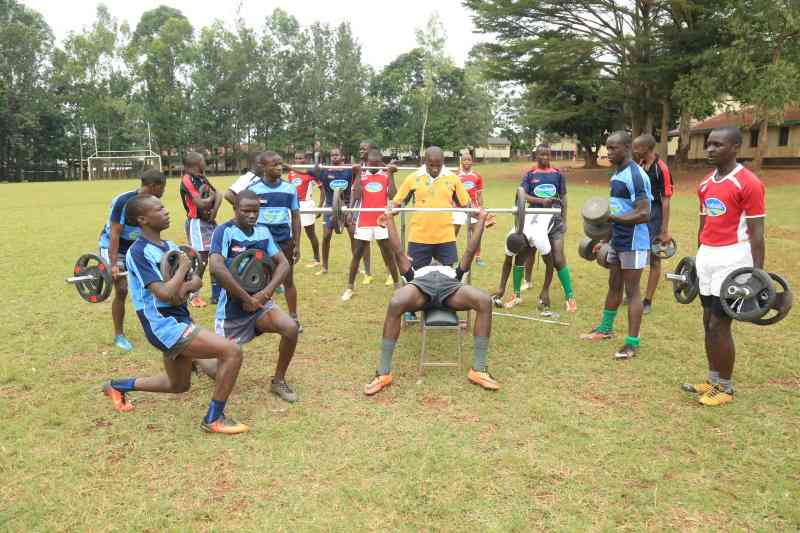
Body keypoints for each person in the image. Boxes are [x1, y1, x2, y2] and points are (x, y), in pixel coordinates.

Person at [101, 194, 248, 435]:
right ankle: (214, 418)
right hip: (162, 324)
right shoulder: (138, 253)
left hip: (179, 318)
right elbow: (164, 293)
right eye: (159, 209)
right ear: (142, 219)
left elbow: (196, 280)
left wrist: (182, 285)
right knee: (232, 352)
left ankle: (117, 386)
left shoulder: (169, 247)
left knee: (178, 385)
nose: (166, 212)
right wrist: (181, 273)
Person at [363, 205, 499, 395]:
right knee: (396, 301)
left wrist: (482, 220)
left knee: (484, 300)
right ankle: (383, 372)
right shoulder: (414, 271)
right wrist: (389, 220)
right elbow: (398, 251)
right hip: (421, 288)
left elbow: (470, 251)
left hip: (450, 288)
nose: (434, 260)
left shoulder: (454, 271)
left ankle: (479, 369)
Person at [681, 127, 765, 406]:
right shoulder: (705, 184)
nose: (710, 149)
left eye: (718, 144)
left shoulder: (748, 183)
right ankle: (713, 379)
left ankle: (725, 388)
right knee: (707, 320)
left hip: (734, 258)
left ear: (736, 147)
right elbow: (704, 225)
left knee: (720, 323)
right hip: (707, 256)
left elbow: (757, 234)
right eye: (708, 144)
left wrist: (756, 275)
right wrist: (698, 259)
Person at [209, 190, 300, 403]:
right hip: (232, 309)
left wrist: (263, 295)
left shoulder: (262, 231)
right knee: (221, 368)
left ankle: (278, 381)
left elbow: (283, 264)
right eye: (246, 211)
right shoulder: (225, 231)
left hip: (260, 304)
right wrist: (246, 298)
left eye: (255, 211)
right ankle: (196, 359)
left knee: (290, 328)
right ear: (235, 209)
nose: (251, 215)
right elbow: (216, 267)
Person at [581, 132, 652, 359]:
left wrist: (611, 219)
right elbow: (619, 208)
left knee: (632, 293)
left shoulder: (636, 175)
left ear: (627, 148)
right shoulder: (617, 173)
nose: (609, 153)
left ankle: (631, 343)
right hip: (618, 239)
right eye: (607, 148)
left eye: (614, 149)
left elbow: (644, 212)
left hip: (634, 242)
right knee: (614, 285)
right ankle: (605, 329)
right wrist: (604, 238)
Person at [493, 145, 576, 313]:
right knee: (521, 256)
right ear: (536, 156)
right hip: (531, 219)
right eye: (541, 155)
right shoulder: (530, 175)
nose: (544, 157)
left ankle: (570, 296)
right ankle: (516, 295)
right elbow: (523, 195)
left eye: (547, 154)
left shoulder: (557, 175)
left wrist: (564, 219)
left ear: (550, 156)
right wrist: (540, 202)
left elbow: (564, 198)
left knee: (558, 258)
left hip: (554, 220)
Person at [97, 168, 167, 352]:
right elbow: (114, 233)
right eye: (163, 187)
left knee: (153, 283)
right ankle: (119, 335)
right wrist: (113, 264)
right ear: (153, 186)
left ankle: (158, 323)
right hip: (114, 246)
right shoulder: (123, 201)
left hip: (135, 246)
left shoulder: (153, 203)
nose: (163, 192)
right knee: (121, 289)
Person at [233, 151, 303, 331]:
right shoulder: (254, 190)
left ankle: (294, 317)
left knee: (288, 280)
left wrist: (297, 243)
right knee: (258, 279)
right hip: (261, 243)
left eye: (281, 164)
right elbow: (242, 210)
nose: (279, 167)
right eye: (274, 165)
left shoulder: (289, 189)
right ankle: (258, 316)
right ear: (263, 167)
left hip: (284, 241)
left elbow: (295, 217)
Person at [341, 149, 401, 301]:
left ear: (381, 162)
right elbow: (356, 196)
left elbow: (393, 196)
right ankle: (350, 287)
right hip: (364, 221)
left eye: (376, 164)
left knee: (389, 254)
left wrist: (391, 174)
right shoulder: (363, 175)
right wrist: (357, 175)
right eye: (370, 164)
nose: (373, 166)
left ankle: (397, 287)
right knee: (357, 254)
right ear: (366, 162)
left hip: (381, 221)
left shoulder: (385, 175)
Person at [307, 147, 369, 278]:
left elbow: (359, 181)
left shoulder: (348, 171)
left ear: (342, 157)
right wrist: (289, 166)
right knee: (326, 236)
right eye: (332, 155)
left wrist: (350, 210)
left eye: (337, 155)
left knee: (354, 235)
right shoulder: (325, 171)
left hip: (347, 207)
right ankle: (324, 267)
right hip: (330, 207)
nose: (334, 157)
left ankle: (357, 267)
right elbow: (306, 171)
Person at [632, 134, 674, 314]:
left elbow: (666, 200)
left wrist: (664, 231)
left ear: (647, 149)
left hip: (655, 214)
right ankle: (633, 295)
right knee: (637, 255)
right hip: (642, 213)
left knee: (654, 258)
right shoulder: (641, 165)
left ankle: (647, 300)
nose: (634, 151)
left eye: (637, 148)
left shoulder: (661, 168)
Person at [179, 151, 223, 307]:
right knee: (201, 259)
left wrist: (214, 213)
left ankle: (216, 295)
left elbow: (219, 194)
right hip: (196, 223)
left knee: (216, 256)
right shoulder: (187, 180)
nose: (205, 162)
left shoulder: (202, 177)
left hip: (210, 222)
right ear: (197, 163)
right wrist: (211, 199)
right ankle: (193, 295)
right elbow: (201, 203)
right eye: (203, 160)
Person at [287, 152, 322, 268]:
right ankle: (293, 257)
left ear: (305, 159)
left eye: (300, 158)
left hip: (306, 205)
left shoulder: (310, 174)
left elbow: (322, 190)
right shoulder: (291, 173)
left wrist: (320, 207)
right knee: (293, 234)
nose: (298, 160)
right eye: (296, 158)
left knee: (310, 233)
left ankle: (317, 258)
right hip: (293, 206)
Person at [452, 151, 485, 266]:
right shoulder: (455, 176)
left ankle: (478, 257)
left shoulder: (477, 176)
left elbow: (480, 195)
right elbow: (451, 193)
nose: (467, 161)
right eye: (465, 159)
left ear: (472, 161)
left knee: (477, 232)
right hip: (458, 208)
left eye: (469, 159)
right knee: (452, 234)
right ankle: (451, 258)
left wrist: (482, 209)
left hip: (473, 208)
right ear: (461, 161)